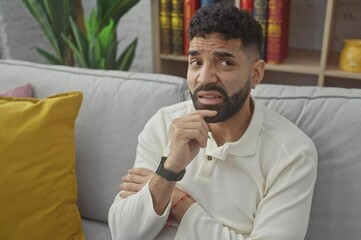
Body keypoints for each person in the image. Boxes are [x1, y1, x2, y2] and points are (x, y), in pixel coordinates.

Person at [108, 3, 317, 240]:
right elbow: (122, 234)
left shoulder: (292, 154)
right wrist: (168, 172)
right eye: (196, 62)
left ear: (255, 73)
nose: (204, 78)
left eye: (225, 62)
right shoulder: (164, 123)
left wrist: (179, 204)